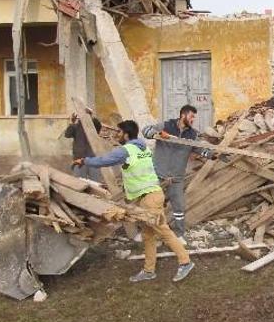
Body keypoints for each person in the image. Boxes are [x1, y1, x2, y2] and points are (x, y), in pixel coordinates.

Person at [74, 120, 194, 283]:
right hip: (149, 195)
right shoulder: (142, 147)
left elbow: (104, 161)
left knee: (163, 231)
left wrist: (84, 161)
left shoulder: (126, 150)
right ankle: (149, 270)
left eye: (119, 131)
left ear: (126, 134)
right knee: (148, 235)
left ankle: (185, 262)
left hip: (149, 197)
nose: (116, 134)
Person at [142, 105, 215, 240]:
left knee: (179, 207)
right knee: (150, 204)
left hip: (177, 177)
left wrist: (211, 154)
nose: (193, 119)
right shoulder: (166, 126)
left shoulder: (192, 134)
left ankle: (179, 234)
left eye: (194, 117)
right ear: (183, 115)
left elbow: (199, 149)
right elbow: (145, 130)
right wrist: (156, 134)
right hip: (158, 174)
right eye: (191, 116)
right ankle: (147, 233)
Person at [64, 108, 103, 182]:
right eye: (83, 114)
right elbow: (67, 135)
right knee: (80, 182)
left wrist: (91, 116)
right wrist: (72, 122)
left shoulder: (93, 126)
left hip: (93, 158)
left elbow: (98, 126)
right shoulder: (76, 126)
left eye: (87, 115)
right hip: (79, 159)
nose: (84, 116)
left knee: (96, 182)